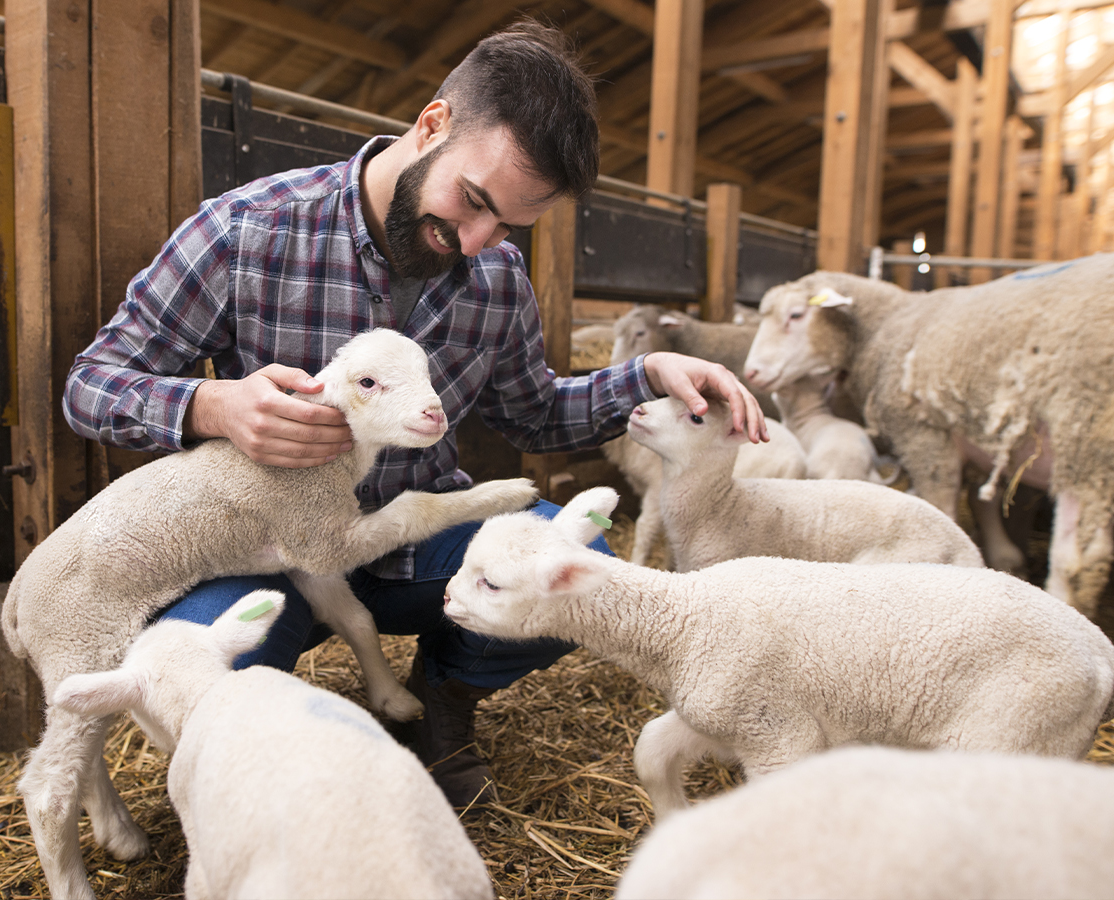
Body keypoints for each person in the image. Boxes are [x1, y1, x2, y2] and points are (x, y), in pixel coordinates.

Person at [63, 21, 766, 809]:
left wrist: (645, 374)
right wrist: (210, 404)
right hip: (271, 549)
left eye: (507, 226)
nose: (475, 241)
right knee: (201, 670)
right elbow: (92, 384)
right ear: (433, 125)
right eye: (472, 202)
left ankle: (442, 701)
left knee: (577, 563)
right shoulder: (247, 230)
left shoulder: (495, 276)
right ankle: (269, 785)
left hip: (417, 544)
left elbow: (533, 414)